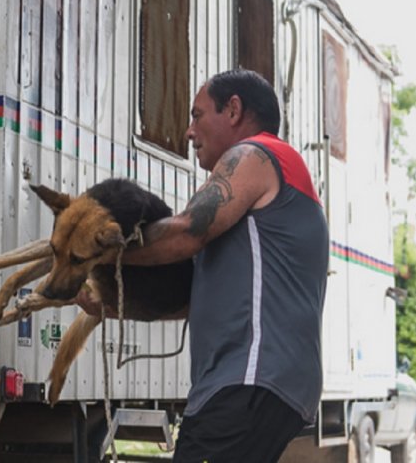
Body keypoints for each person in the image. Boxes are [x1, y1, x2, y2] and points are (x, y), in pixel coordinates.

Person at [81, 69, 328, 462]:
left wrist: (95, 251)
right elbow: (192, 301)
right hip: (257, 383)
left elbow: (185, 232)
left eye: (197, 115)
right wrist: (111, 306)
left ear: (233, 110)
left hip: (250, 377)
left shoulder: (256, 154)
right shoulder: (261, 200)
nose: (188, 132)